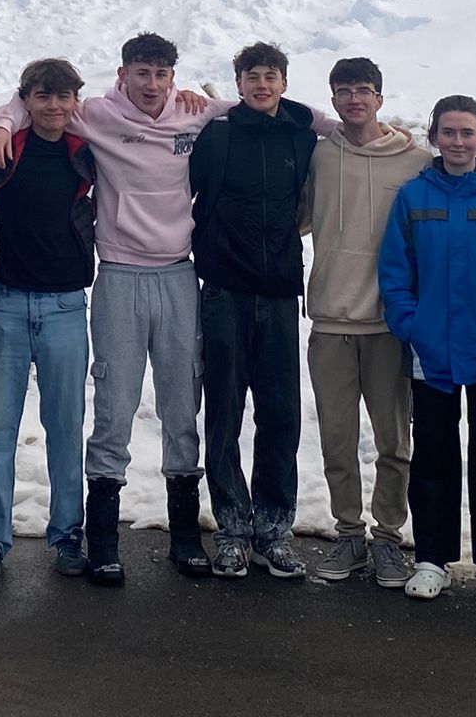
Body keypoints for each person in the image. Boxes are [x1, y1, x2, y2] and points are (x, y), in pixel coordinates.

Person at [0, 32, 243, 586]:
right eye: (141, 73)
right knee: (110, 407)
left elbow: (262, 105)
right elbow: (26, 101)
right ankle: (95, 539)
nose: (152, 84)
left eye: (161, 74)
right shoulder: (92, 115)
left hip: (176, 273)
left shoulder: (192, 114)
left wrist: (349, 129)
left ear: (173, 76)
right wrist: (2, 123)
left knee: (179, 399)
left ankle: (184, 534)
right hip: (115, 275)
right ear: (122, 75)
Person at [380, 94, 476, 604]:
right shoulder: (414, 197)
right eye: (448, 132)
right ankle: (432, 558)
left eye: (467, 132)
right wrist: (411, 325)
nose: (458, 142)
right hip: (431, 351)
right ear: (434, 137)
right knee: (435, 458)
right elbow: (395, 270)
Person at [189, 41, 318, 581]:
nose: (262, 84)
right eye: (252, 76)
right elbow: (189, 196)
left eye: (271, 75)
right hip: (224, 290)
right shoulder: (215, 136)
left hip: (280, 293)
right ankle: (233, 528)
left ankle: (273, 526)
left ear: (284, 83)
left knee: (281, 412)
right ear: (238, 82)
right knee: (223, 411)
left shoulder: (301, 136)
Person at [301, 57, 429, 588]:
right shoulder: (320, 156)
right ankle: (349, 533)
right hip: (331, 317)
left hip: (389, 324)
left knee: (394, 441)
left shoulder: (416, 161)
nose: (355, 98)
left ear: (380, 97)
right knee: (337, 436)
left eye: (364, 90)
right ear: (332, 100)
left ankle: (388, 540)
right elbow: (295, 217)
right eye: (344, 90)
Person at [0, 58, 97, 582]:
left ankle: (68, 534)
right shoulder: (1, 146)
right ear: (27, 99)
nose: (54, 107)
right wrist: (3, 119)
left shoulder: (87, 151)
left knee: (65, 428)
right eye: (43, 97)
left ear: (75, 102)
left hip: (66, 305)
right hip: (4, 303)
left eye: (64, 97)